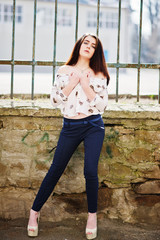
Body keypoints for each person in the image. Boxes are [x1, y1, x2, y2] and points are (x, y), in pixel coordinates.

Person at [27, 33, 110, 239]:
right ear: (79, 45)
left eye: (93, 45)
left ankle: (92, 216)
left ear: (96, 51)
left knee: (90, 171)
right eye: (86, 43)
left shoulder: (99, 73)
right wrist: (72, 83)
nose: (89, 46)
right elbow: (55, 101)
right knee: (55, 170)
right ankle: (34, 213)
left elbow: (102, 106)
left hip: (93, 125)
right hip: (70, 126)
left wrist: (85, 84)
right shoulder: (64, 71)